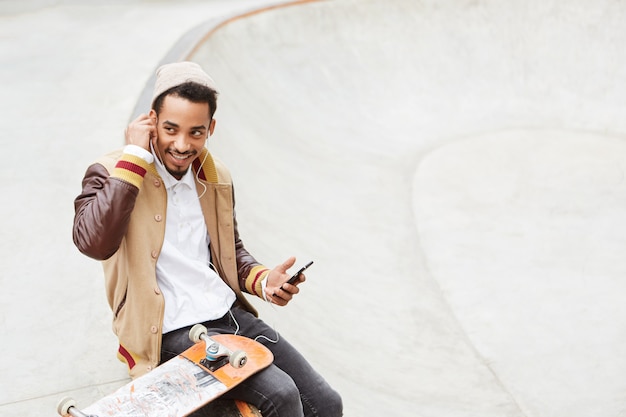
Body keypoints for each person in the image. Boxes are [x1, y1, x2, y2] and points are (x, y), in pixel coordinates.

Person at [73, 61, 342, 417]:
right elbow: (93, 242)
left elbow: (230, 253)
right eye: (170, 129)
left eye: (195, 133)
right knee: (281, 395)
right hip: (168, 332)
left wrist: (265, 282)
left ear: (210, 128)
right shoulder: (113, 170)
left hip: (228, 315)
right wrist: (135, 157)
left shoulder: (215, 176)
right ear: (151, 120)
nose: (182, 145)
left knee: (326, 403)